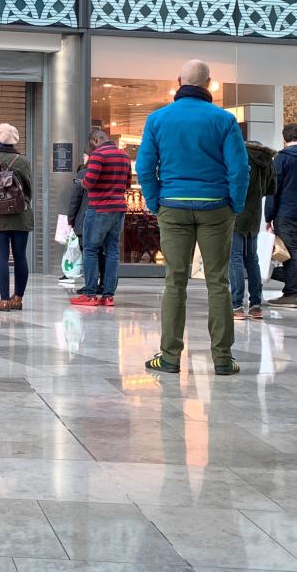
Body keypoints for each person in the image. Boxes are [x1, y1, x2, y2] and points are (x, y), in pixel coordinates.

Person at [136, 59, 248, 375]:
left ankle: (170, 357)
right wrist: (234, 205)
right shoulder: (224, 120)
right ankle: (223, 359)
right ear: (209, 83)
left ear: (179, 81)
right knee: (218, 282)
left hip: (173, 205)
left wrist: (157, 202)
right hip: (216, 207)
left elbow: (145, 167)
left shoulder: (157, 119)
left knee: (175, 281)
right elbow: (239, 169)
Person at [71, 129, 133, 307]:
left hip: (99, 208)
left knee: (91, 250)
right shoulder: (124, 156)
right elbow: (127, 184)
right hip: (118, 209)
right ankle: (108, 295)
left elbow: (89, 181)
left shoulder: (98, 155)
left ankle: (90, 293)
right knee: (112, 251)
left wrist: (79, 182)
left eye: (92, 144)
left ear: (96, 140)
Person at [0, 124, 34, 312]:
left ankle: (3, 300)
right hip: (20, 215)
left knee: (1, 256)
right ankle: (17, 298)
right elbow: (28, 189)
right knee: (20, 256)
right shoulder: (23, 161)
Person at [233, 132, 276, 319]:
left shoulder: (239, 155)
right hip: (254, 215)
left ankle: (236, 306)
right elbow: (272, 189)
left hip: (235, 213)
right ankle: (256, 305)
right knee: (252, 260)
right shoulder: (268, 160)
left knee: (234, 259)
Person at [268, 124, 297, 308]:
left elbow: (273, 189)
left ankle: (292, 293)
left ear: (284, 139)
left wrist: (267, 217)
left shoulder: (281, 159)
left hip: (286, 214)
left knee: (289, 252)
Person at [61, 154, 89, 287]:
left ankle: (90, 286)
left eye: (84, 155)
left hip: (84, 220)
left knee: (89, 252)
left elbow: (74, 200)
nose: (83, 157)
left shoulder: (83, 174)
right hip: (107, 218)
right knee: (106, 253)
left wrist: (70, 219)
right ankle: (106, 288)